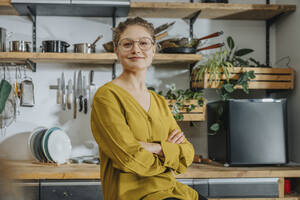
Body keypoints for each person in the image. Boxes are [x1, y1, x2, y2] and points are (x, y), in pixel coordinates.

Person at [91, 17, 206, 200]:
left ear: (153, 49)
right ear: (116, 51)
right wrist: (169, 155)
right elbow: (129, 158)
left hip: (172, 190)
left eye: (144, 43)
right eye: (127, 44)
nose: (136, 49)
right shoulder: (107, 96)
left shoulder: (159, 101)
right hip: (134, 195)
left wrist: (155, 148)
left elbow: (188, 153)